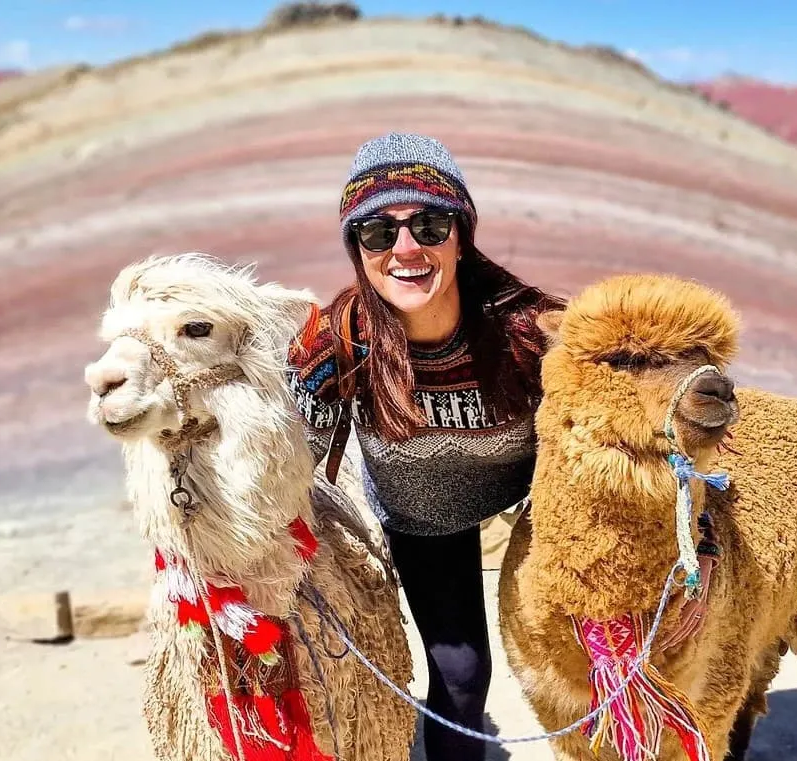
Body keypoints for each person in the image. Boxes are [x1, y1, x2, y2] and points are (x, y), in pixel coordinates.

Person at [286, 132, 719, 760]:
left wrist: (698, 540)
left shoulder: (531, 330)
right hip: (425, 519)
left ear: (460, 235)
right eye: (379, 233)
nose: (406, 249)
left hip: (541, 501)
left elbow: (651, 424)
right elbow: (281, 448)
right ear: (358, 249)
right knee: (461, 677)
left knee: (608, 651)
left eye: (428, 225)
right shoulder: (341, 341)